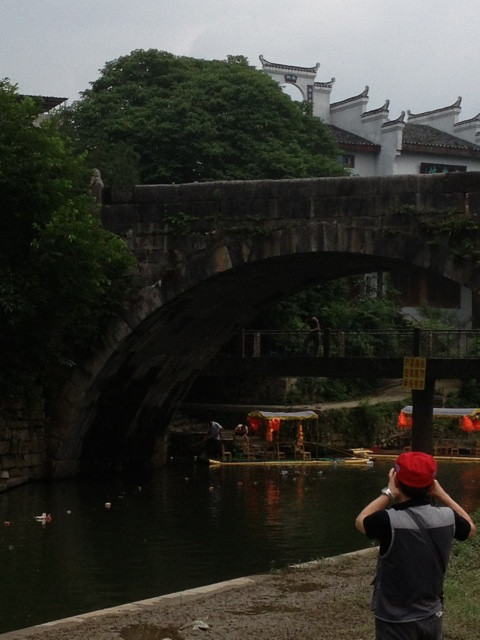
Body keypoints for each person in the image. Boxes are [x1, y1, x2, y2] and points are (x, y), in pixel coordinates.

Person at [355, 451, 476, 640]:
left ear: (396, 480)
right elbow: (470, 529)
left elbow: (360, 521)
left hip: (394, 621)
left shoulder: (388, 521)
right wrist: (442, 494)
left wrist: (389, 493)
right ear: (432, 485)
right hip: (432, 616)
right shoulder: (447, 517)